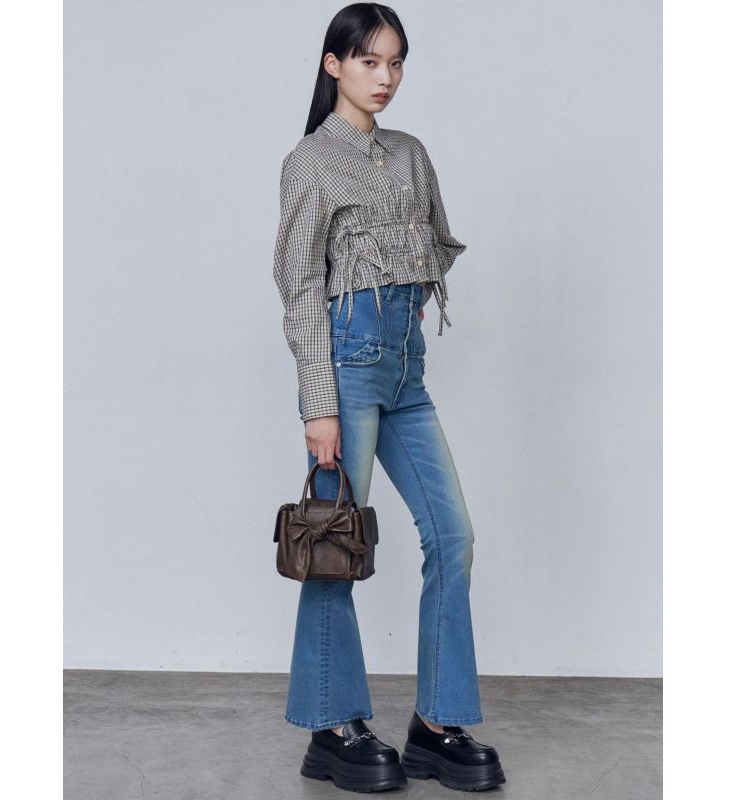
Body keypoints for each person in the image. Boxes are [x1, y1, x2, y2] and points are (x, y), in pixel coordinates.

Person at [272, 3, 506, 793]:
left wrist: (401, 289)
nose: (386, 77)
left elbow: (436, 240)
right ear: (334, 64)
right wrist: (318, 402)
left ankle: (437, 724)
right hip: (348, 368)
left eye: (396, 62)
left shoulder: (410, 153)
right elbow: (300, 284)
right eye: (370, 61)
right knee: (334, 541)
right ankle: (332, 724)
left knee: (453, 534)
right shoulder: (310, 162)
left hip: (406, 370)